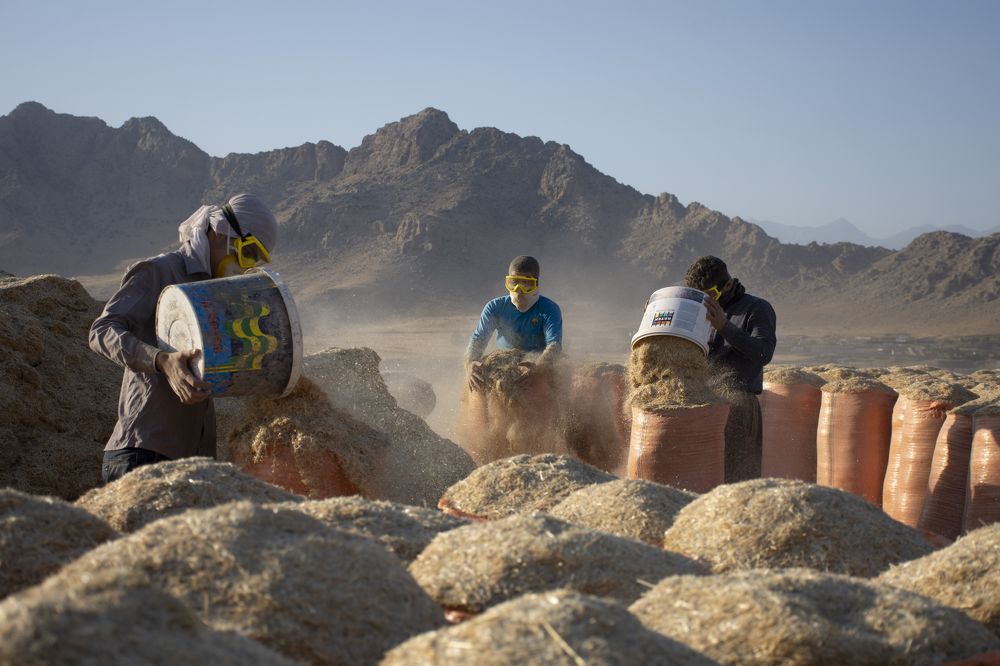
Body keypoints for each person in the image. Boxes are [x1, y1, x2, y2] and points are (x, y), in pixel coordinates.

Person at [89, 193, 278, 484]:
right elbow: (101, 331)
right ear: (221, 233)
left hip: (190, 466)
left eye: (255, 261)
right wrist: (162, 361)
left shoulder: (217, 296)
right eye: (247, 252)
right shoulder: (161, 271)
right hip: (143, 454)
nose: (244, 267)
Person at [684, 255, 776, 482]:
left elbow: (763, 353)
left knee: (736, 479)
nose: (706, 301)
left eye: (711, 295)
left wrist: (724, 326)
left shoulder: (757, 308)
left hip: (738, 407)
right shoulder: (697, 311)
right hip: (701, 403)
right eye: (699, 296)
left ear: (727, 285)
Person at [465, 255, 563, 391]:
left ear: (536, 283)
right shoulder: (495, 307)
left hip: (537, 363)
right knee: (477, 379)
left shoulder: (549, 309)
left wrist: (539, 368)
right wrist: (470, 363)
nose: (518, 290)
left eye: (526, 284)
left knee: (552, 387)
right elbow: (479, 338)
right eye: (514, 282)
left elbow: (554, 345)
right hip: (504, 362)